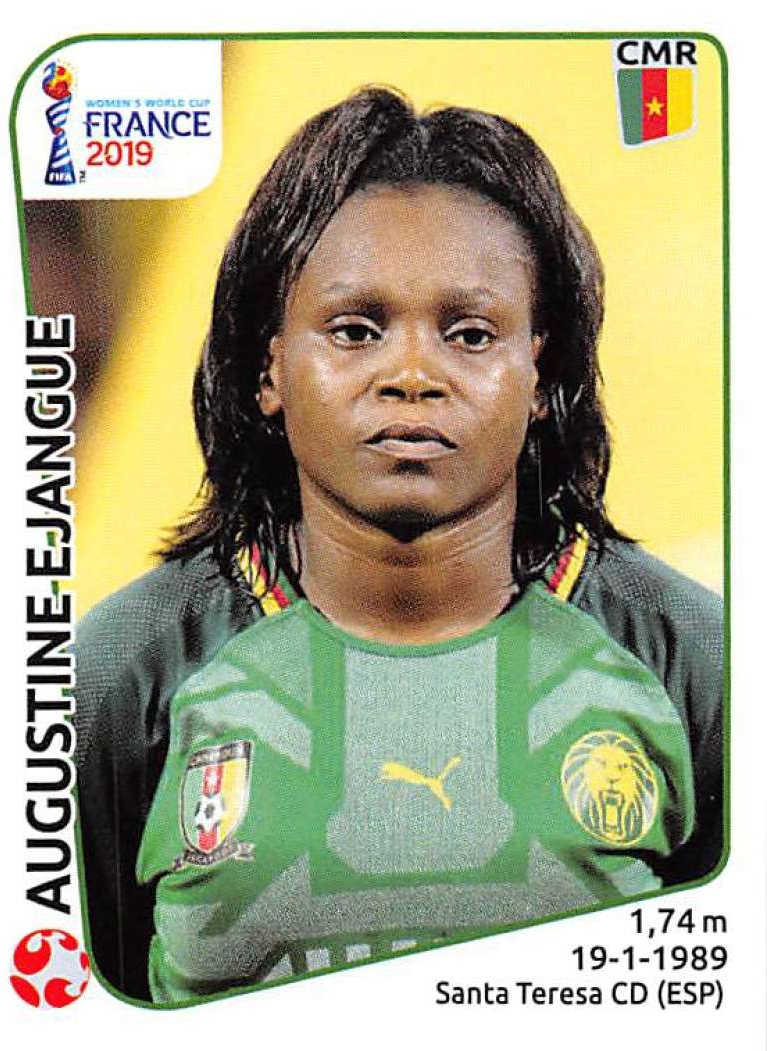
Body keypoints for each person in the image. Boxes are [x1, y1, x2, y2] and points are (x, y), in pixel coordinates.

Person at [75, 87, 723, 1006]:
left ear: (541, 372)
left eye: (470, 334)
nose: (412, 375)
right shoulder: (117, 674)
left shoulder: (695, 662)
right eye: (355, 330)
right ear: (268, 367)